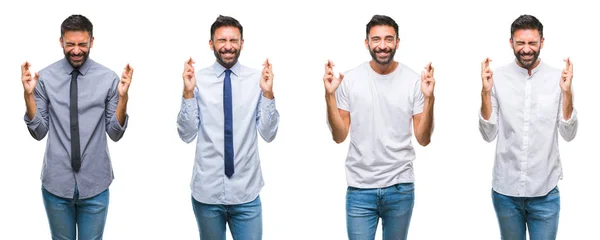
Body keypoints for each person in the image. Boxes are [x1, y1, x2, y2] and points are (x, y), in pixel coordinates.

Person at [21, 14, 133, 239]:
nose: (76, 50)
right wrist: (28, 95)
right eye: (70, 44)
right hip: (56, 184)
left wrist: (123, 98)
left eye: (82, 44)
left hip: (95, 185)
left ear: (92, 41)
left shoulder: (108, 79)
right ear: (61, 42)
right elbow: (38, 132)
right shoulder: (45, 78)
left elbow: (115, 133)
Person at [324, 14, 435, 240]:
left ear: (397, 42)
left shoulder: (414, 81)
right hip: (360, 188)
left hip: (399, 187)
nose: (382, 46)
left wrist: (430, 98)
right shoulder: (351, 79)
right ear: (367, 43)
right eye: (376, 39)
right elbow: (339, 136)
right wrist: (329, 96)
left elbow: (423, 139)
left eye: (388, 39)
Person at [177, 15, 279, 240]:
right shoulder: (197, 80)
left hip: (246, 193)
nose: (228, 46)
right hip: (207, 193)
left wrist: (268, 93)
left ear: (242, 43)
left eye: (233, 40)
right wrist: (187, 93)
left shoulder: (257, 79)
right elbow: (186, 134)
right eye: (221, 40)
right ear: (211, 43)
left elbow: (269, 134)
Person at [479, 14, 578, 239]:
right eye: (520, 43)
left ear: (542, 43)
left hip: (545, 192)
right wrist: (485, 91)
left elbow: (569, 133)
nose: (526, 49)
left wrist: (567, 92)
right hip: (506, 192)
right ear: (511, 42)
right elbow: (488, 134)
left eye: (532, 43)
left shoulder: (558, 78)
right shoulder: (497, 78)